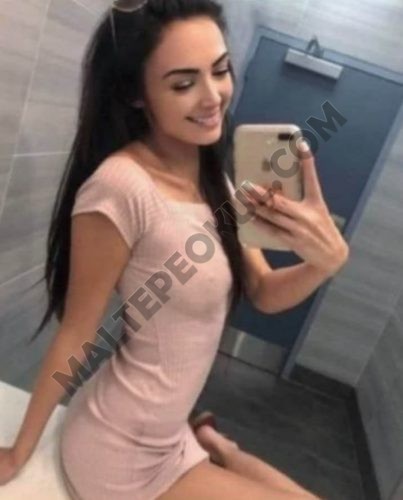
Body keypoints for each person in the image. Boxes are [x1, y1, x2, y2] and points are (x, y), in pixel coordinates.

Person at [0, 0, 349, 498]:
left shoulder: (215, 181)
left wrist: (325, 263)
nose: (213, 97)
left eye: (220, 71)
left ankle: (217, 446)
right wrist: (19, 450)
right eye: (184, 83)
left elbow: (264, 291)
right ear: (136, 95)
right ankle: (214, 446)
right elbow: (76, 334)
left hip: (168, 436)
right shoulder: (121, 187)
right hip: (119, 452)